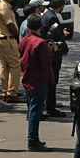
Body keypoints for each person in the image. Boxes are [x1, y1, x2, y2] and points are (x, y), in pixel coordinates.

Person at [19, 15, 53, 151]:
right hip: (38, 80)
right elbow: (46, 64)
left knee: (32, 109)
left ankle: (33, 139)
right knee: (35, 111)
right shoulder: (40, 43)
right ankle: (32, 140)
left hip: (28, 78)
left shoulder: (25, 40)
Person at [41, 0, 70, 117]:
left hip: (49, 51)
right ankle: (50, 107)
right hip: (53, 53)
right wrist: (63, 42)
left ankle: (50, 104)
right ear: (60, 5)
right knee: (52, 81)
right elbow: (54, 33)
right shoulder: (52, 17)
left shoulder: (47, 14)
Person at [0, 0, 23, 103]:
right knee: (15, 66)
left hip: (2, 39)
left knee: (4, 66)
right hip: (8, 39)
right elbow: (10, 25)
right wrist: (17, 36)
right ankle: (11, 92)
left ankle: (6, 91)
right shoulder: (4, 7)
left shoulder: (2, 6)